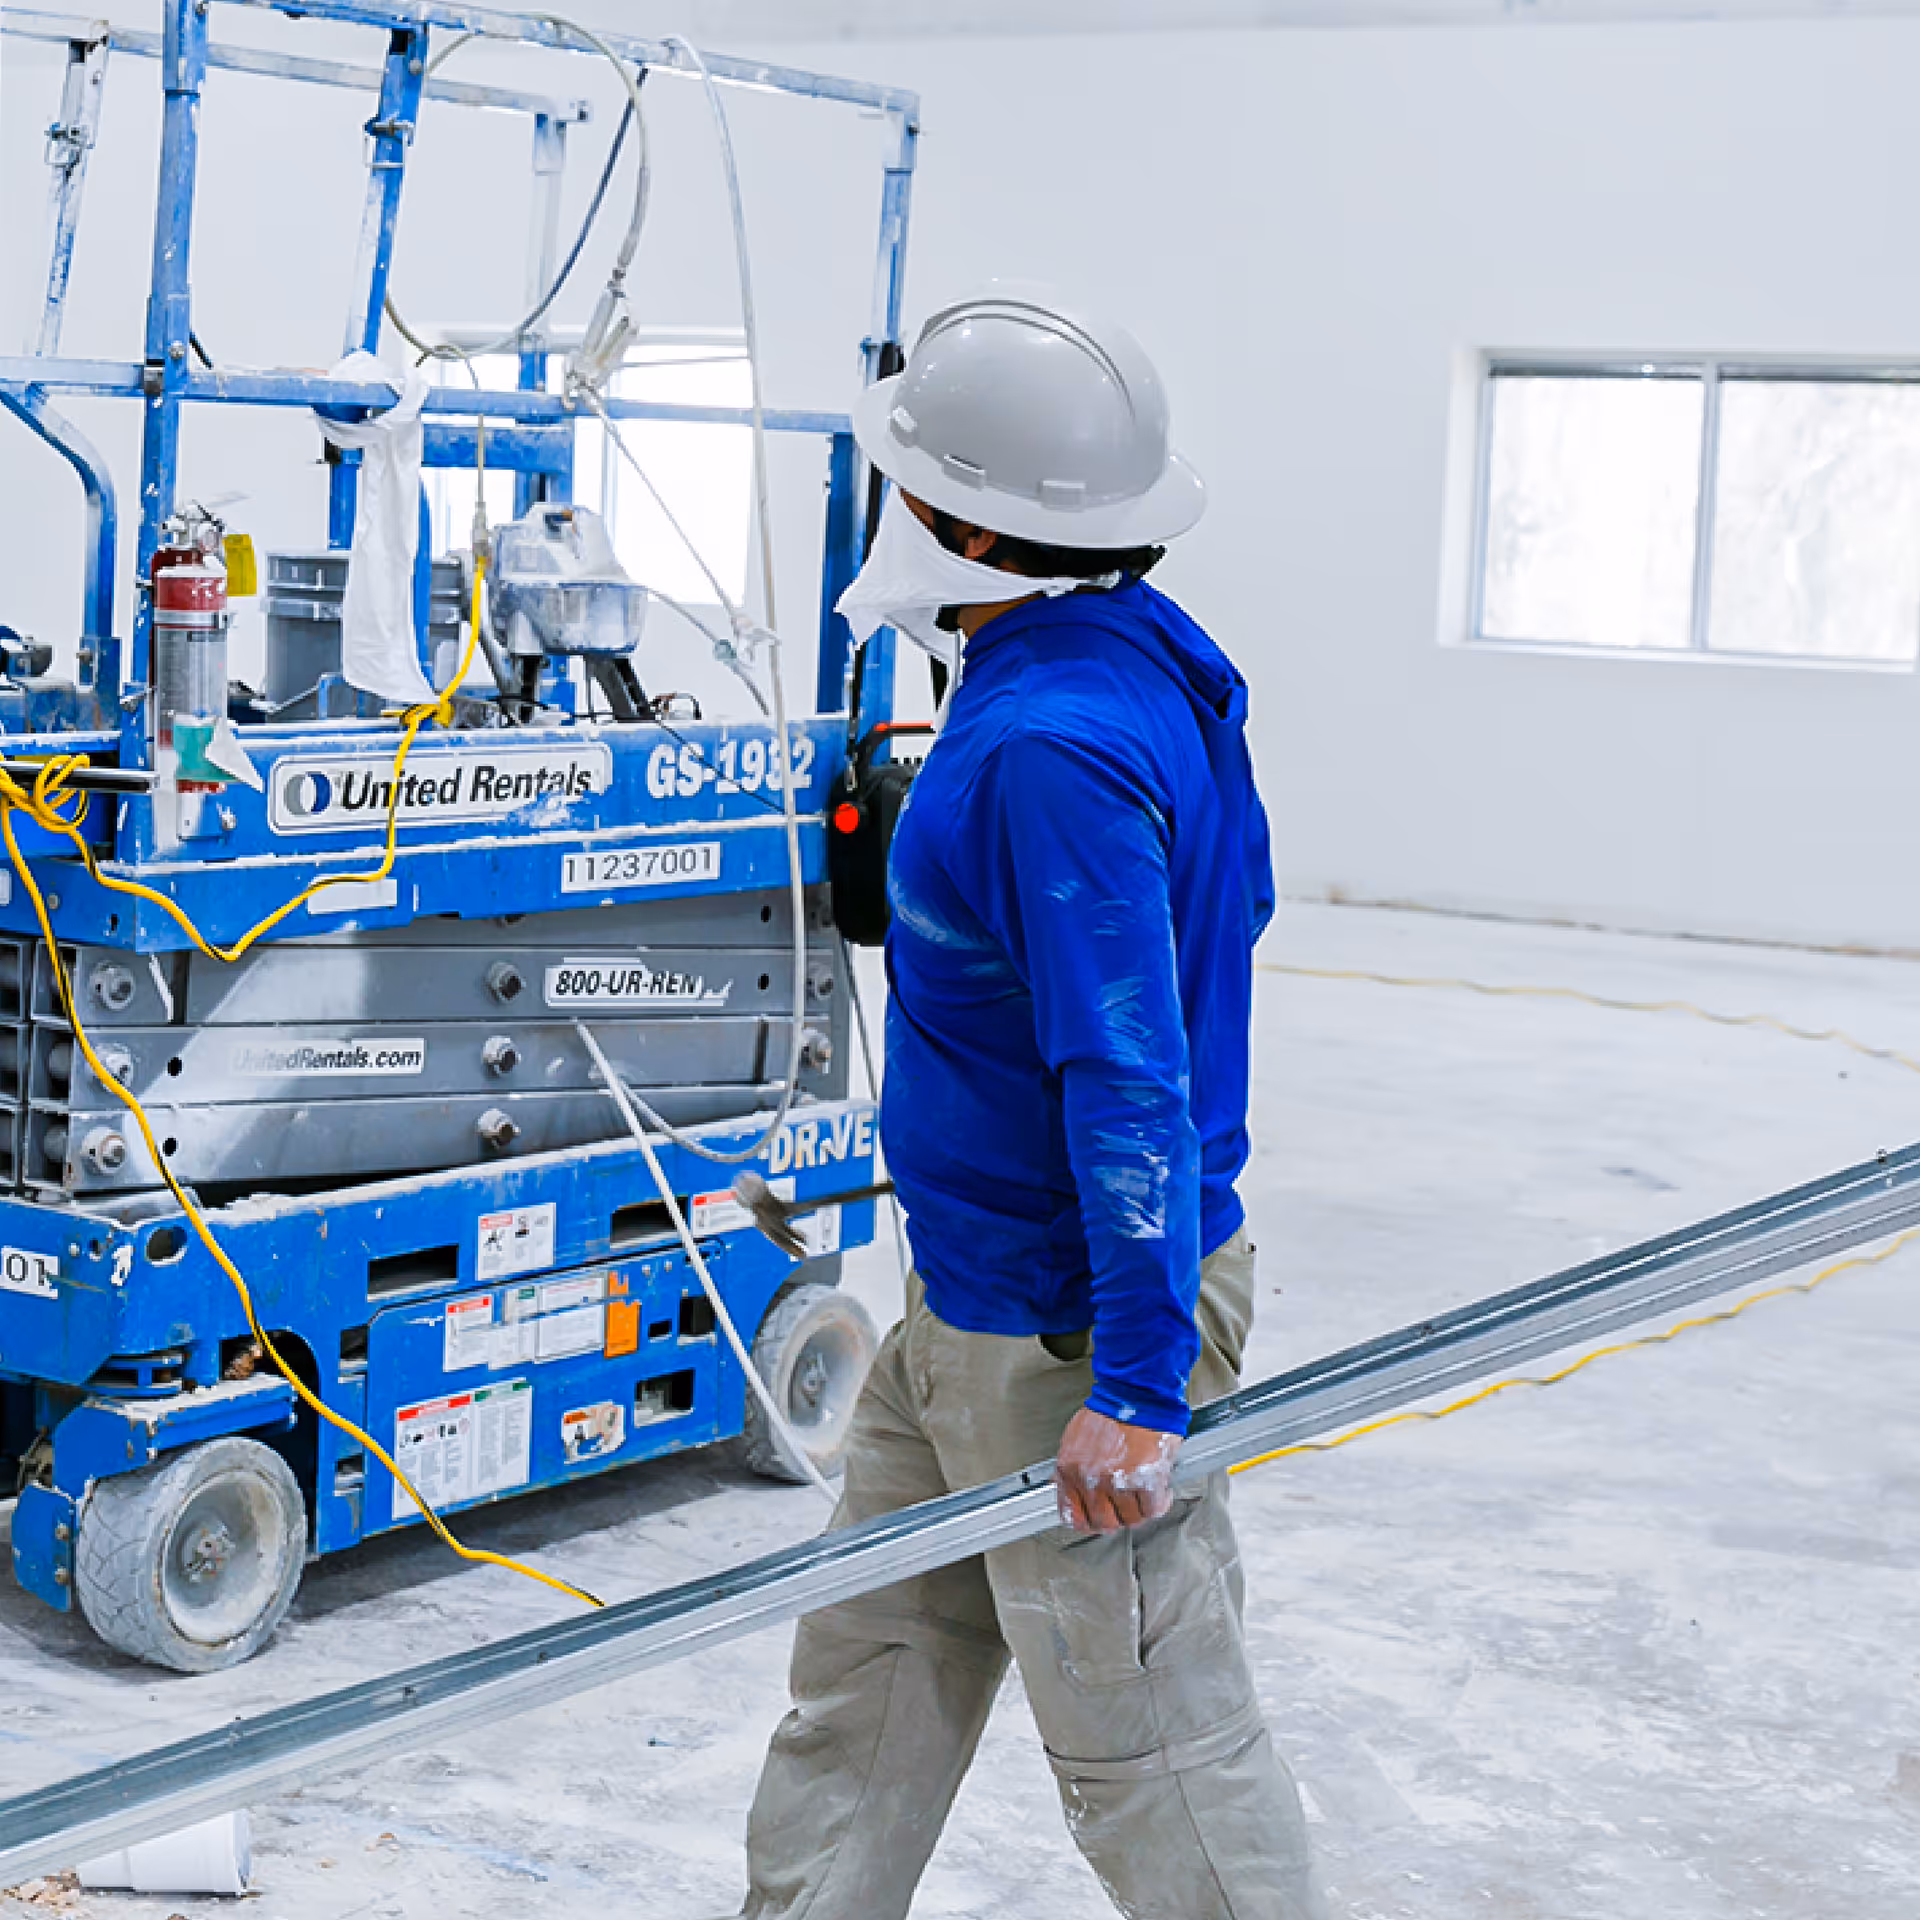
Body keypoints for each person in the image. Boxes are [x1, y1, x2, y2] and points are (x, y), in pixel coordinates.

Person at [727, 287, 1325, 1920]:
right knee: (867, 1694)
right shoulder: (1126, 664)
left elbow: (1131, 1079)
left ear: (957, 519)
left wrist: (1136, 1385)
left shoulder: (1050, 746)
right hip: (966, 1311)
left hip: (1072, 1328)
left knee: (1153, 1754)